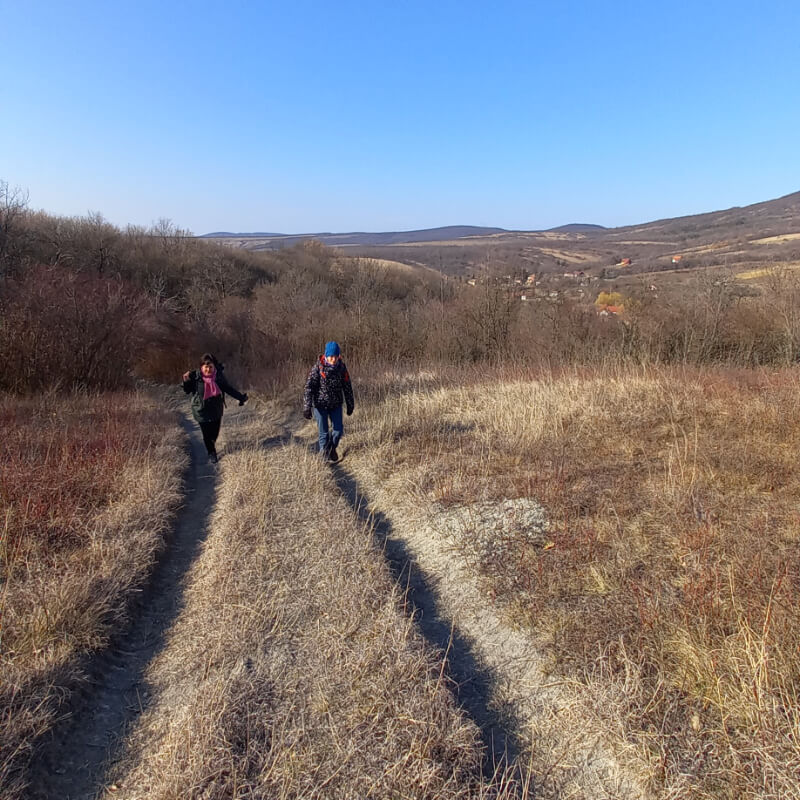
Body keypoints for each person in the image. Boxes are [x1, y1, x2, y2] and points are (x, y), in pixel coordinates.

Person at [182, 353, 248, 463]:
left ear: (214, 367)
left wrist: (241, 397)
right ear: (201, 367)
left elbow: (228, 388)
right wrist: (186, 381)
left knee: (214, 433)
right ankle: (211, 453)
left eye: (210, 367)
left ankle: (211, 444)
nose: (208, 369)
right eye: (205, 367)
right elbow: (187, 391)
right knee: (206, 434)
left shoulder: (218, 377)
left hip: (216, 409)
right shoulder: (195, 377)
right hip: (200, 409)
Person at [303, 341, 354, 462]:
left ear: (338, 356)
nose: (333, 359)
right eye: (330, 357)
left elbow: (347, 386)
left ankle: (331, 448)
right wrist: (307, 406)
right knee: (324, 433)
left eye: (335, 357)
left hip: (336, 405)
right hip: (320, 405)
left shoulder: (342, 368)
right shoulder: (318, 368)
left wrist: (350, 404)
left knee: (338, 431)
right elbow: (309, 387)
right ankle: (323, 457)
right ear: (326, 356)